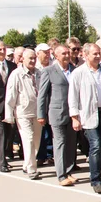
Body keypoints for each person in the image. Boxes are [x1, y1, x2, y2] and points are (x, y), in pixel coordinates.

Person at [69, 43, 101, 194]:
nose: (97, 56)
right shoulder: (79, 73)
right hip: (89, 114)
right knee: (95, 145)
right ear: (86, 55)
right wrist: (74, 117)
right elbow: (73, 96)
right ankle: (95, 180)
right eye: (94, 54)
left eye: (98, 53)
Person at [37, 45, 77, 186]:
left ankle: (69, 171)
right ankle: (61, 176)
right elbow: (42, 95)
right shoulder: (49, 71)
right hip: (56, 113)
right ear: (57, 55)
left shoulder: (74, 70)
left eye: (68, 53)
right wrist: (41, 114)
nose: (67, 55)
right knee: (59, 144)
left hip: (72, 113)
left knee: (71, 144)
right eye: (64, 53)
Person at [4, 49, 43, 179]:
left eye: (34, 58)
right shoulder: (16, 74)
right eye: (30, 58)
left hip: (37, 113)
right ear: (23, 59)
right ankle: (32, 169)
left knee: (36, 141)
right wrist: (9, 115)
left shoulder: (39, 73)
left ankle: (27, 164)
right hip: (23, 113)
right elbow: (10, 96)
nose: (32, 61)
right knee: (29, 140)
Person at [0, 41, 18, 173]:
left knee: (9, 133)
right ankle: (2, 162)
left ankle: (4, 155)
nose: (1, 51)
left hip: (9, 106)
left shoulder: (12, 66)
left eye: (3, 49)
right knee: (1, 134)